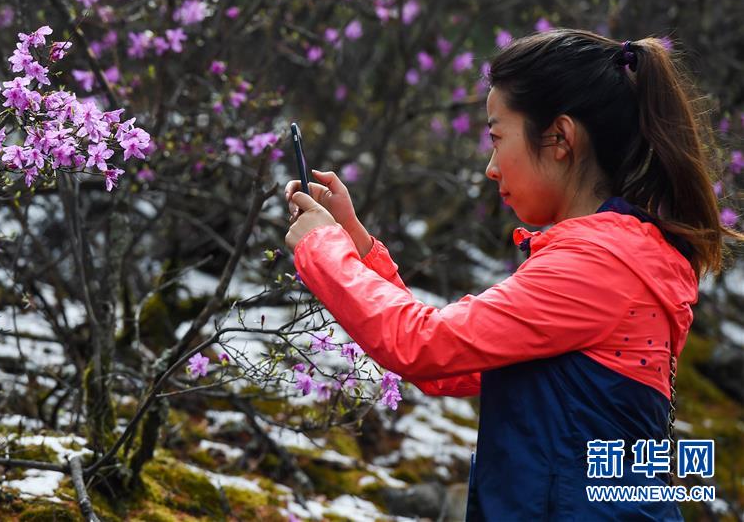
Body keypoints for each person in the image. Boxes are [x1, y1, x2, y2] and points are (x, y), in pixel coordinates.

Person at [283, 29, 743, 520]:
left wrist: (322, 250)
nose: (490, 167)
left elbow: (422, 345)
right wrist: (357, 246)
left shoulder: (597, 267)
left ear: (560, 139)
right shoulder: (621, 258)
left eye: (497, 138)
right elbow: (450, 367)